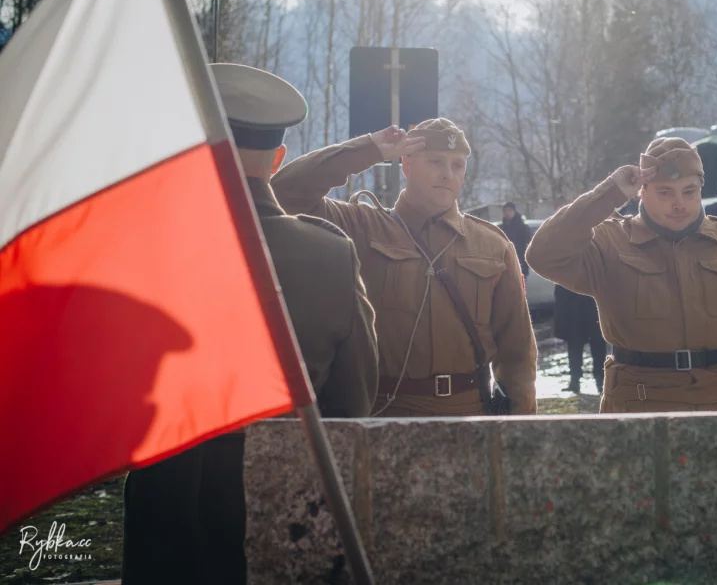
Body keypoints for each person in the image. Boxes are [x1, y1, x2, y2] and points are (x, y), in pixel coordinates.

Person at [123, 64, 379, 585]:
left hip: (168, 495)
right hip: (285, 492)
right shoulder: (331, 254)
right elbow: (356, 399)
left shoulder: (150, 245)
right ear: (279, 157)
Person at [271, 118, 537, 417]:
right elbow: (282, 194)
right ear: (406, 166)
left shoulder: (492, 246)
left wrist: (520, 431)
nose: (447, 174)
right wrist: (367, 150)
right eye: (435, 162)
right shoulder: (362, 226)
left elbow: (518, 356)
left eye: (457, 165)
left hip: (469, 415)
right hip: (383, 413)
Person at [526, 137, 717, 413]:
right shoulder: (612, 241)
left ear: (702, 188)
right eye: (665, 192)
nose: (679, 203)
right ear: (642, 191)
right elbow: (543, 254)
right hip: (639, 407)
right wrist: (610, 193)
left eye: (689, 191)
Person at [554, 285, 606, 394]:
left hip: (590, 302)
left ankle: (598, 379)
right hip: (579, 302)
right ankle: (577, 380)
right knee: (579, 343)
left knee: (594, 343)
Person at [500, 201, 532, 276]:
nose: (508, 212)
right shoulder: (501, 228)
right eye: (506, 210)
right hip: (504, 264)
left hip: (520, 262)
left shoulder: (523, 227)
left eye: (510, 210)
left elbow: (529, 244)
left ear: (514, 211)